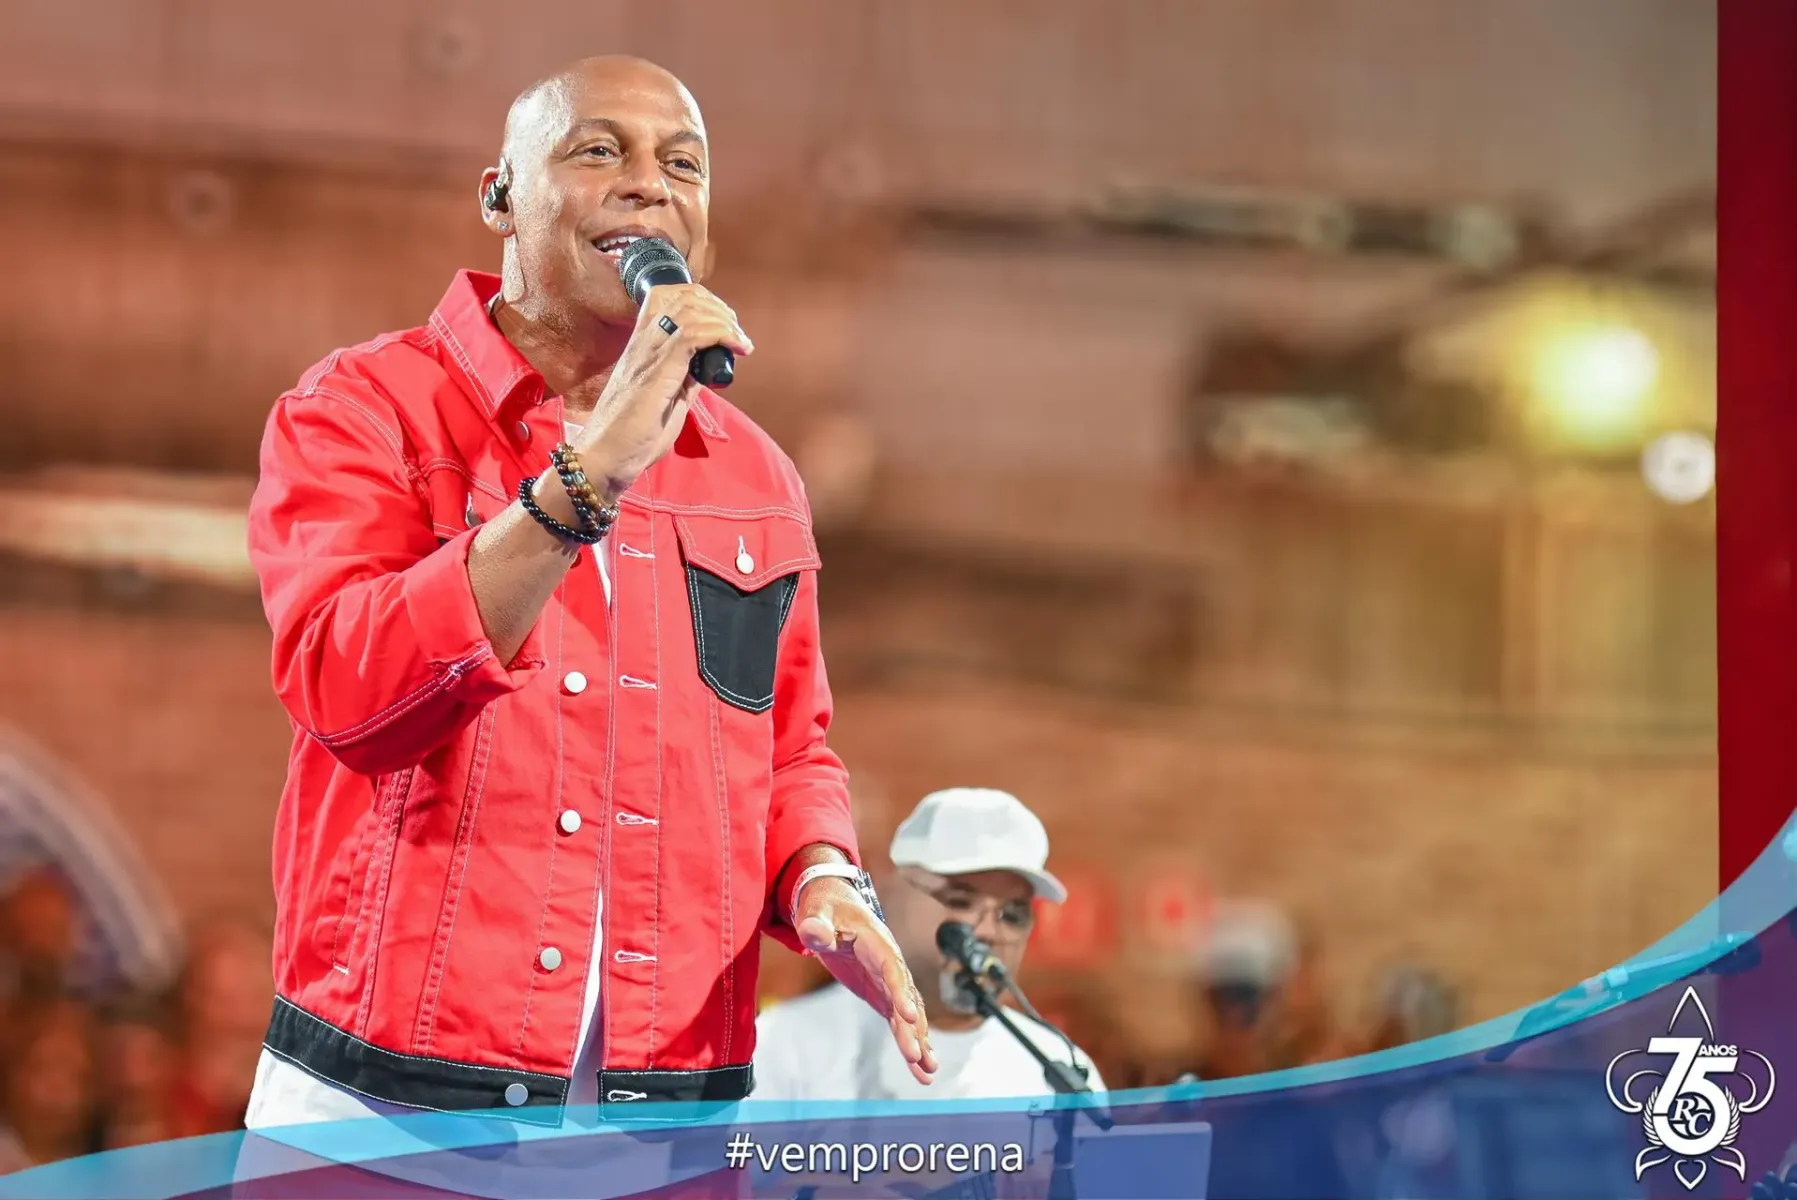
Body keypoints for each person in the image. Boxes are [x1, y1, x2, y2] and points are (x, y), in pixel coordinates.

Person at [241, 55, 931, 1129]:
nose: (649, 182)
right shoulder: (365, 409)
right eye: (599, 150)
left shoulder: (753, 478)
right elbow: (349, 689)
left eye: (683, 165)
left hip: (667, 1121)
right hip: (391, 1112)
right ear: (500, 196)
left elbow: (788, 747)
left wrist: (823, 881)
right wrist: (588, 474)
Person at [753, 788, 1103, 1101]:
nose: (988, 931)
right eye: (960, 901)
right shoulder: (788, 1041)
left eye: (1011, 915)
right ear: (893, 896)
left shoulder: (1058, 1071)